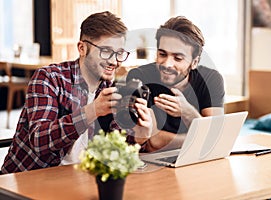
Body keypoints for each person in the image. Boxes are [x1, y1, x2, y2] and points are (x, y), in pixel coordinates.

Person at [1, 11, 152, 174]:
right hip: (25, 182)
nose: (114, 61)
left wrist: (139, 138)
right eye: (106, 51)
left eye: (120, 53)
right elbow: (39, 140)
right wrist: (92, 110)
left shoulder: (111, 89)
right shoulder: (49, 79)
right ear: (82, 48)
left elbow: (114, 151)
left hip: (79, 181)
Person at [126, 16, 225, 152]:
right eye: (162, 54)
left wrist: (187, 112)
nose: (167, 64)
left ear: (194, 62)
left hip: (198, 157)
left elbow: (216, 137)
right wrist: (200, 138)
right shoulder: (139, 77)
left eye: (178, 58)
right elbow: (154, 142)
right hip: (156, 161)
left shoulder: (211, 79)